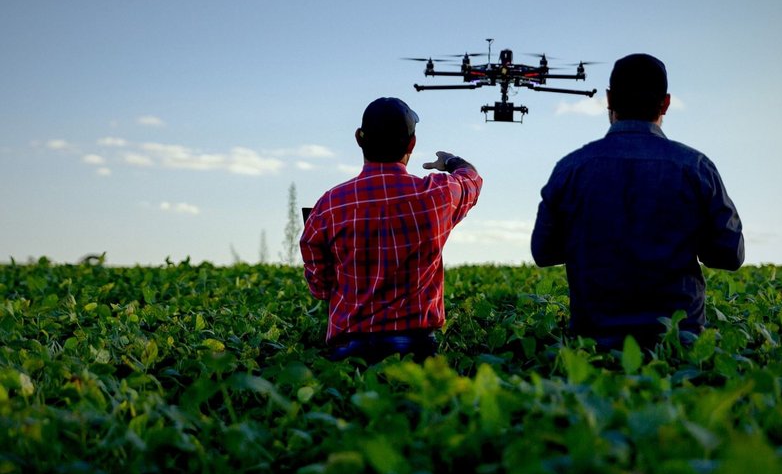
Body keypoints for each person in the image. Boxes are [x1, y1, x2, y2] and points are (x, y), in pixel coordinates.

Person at [531, 53, 744, 350]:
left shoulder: (571, 168)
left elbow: (543, 251)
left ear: (609, 99)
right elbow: (729, 255)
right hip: (678, 345)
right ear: (666, 103)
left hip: (593, 348)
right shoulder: (696, 167)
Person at [300, 96, 482, 362]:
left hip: (349, 353)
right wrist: (452, 161)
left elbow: (320, 288)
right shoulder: (436, 195)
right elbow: (472, 179)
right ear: (412, 143)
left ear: (359, 139)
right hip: (416, 350)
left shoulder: (329, 205)